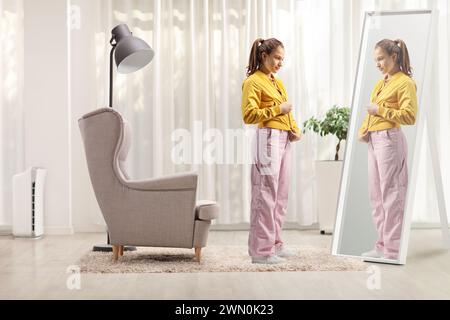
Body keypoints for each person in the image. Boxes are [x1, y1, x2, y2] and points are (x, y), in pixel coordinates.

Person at [241, 38, 302, 264]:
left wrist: (294, 129)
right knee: (264, 194)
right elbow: (249, 115)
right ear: (264, 56)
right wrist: (278, 109)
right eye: (277, 58)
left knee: (280, 194)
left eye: (282, 59)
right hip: (267, 138)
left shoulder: (276, 81)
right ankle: (261, 251)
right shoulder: (253, 82)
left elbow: (287, 111)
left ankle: (275, 244)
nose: (280, 63)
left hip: (283, 139)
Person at [358, 39, 418, 260]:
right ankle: (382, 245)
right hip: (375, 140)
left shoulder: (405, 83)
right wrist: (365, 131)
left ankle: (393, 250)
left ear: (394, 57)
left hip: (390, 141)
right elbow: (371, 112)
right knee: (376, 196)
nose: (378, 64)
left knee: (392, 195)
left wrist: (379, 110)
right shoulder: (381, 82)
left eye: (381, 59)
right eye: (376, 60)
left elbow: (409, 116)